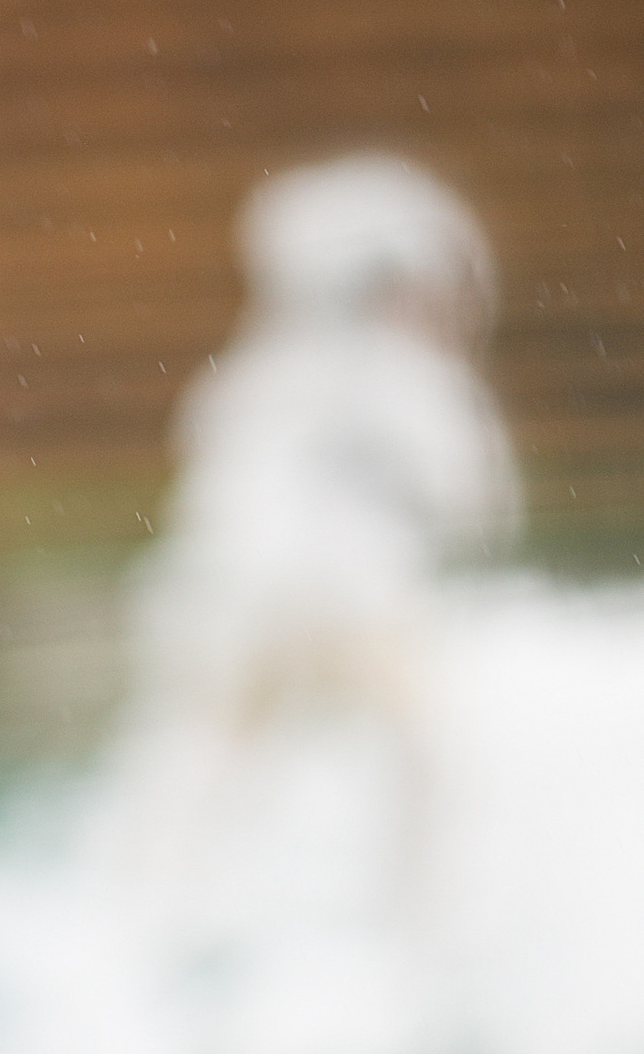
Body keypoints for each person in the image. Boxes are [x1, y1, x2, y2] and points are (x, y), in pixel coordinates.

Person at [108, 152, 522, 921]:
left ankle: (157, 897)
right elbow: (471, 494)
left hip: (242, 598)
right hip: (346, 602)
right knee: (426, 751)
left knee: (214, 750)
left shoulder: (263, 372)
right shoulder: (408, 379)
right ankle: (417, 908)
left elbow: (203, 454)